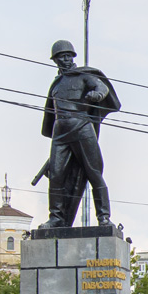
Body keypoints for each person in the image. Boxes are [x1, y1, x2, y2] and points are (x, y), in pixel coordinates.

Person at [36, 40, 121, 228]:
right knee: (57, 175)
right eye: (61, 57)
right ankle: (56, 217)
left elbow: (102, 88)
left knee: (94, 172)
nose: (65, 60)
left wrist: (96, 95)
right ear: (55, 60)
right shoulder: (56, 84)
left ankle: (104, 216)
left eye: (68, 56)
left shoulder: (83, 75)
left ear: (73, 57)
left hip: (82, 127)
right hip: (60, 132)